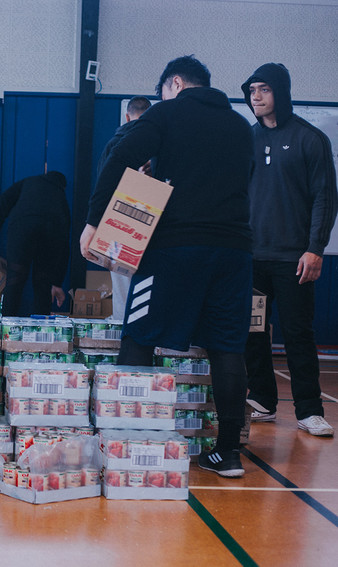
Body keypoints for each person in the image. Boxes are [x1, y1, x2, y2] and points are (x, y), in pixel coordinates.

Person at [80, 56, 254, 477]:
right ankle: (227, 452)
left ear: (175, 83)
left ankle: (128, 440)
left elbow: (118, 160)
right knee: (228, 347)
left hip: (175, 246)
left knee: (140, 334)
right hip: (234, 250)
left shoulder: (167, 113)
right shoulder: (240, 126)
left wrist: (93, 221)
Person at [241, 63, 338, 437]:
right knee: (252, 332)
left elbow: (325, 199)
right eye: (252, 91)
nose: (256, 97)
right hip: (251, 258)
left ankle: (309, 410)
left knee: (298, 334)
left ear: (280, 92)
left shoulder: (310, 139)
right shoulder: (246, 139)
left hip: (294, 258)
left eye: (263, 89)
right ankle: (262, 400)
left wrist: (315, 249)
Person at [97, 96, 152, 320]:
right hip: (153, 226)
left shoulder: (115, 143)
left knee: (122, 286)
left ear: (127, 116)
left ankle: (123, 338)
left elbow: (102, 186)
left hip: (118, 223)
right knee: (150, 285)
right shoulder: (157, 144)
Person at [0, 170, 71, 316]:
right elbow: (64, 245)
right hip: (51, 230)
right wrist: (57, 282)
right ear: (62, 186)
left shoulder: (28, 181)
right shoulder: (61, 197)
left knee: (15, 279)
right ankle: (40, 329)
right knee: (43, 282)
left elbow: (2, 203)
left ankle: (7, 325)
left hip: (22, 228)